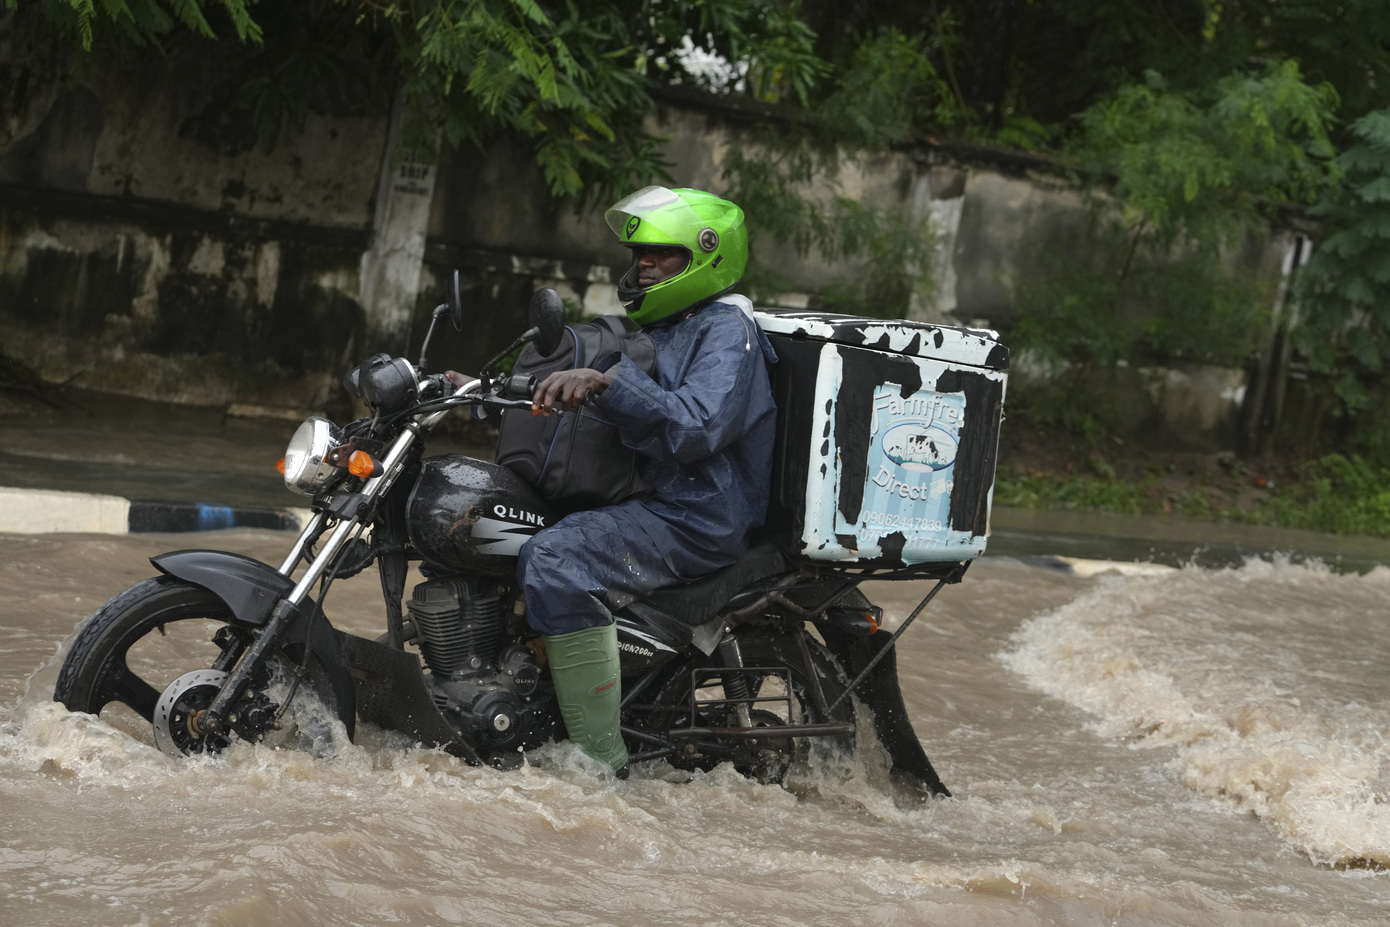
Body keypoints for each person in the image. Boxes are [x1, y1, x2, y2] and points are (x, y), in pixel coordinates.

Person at [517, 186, 778, 774]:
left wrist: (609, 384)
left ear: (706, 256)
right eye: (641, 255)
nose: (644, 265)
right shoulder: (663, 323)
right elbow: (577, 366)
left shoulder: (726, 330)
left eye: (662, 255)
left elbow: (698, 424)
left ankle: (599, 766)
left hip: (696, 514)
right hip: (650, 500)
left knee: (554, 558)